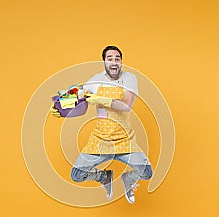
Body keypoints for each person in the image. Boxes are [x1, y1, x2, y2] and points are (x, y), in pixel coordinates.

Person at [51, 46, 153, 204]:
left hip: (124, 140)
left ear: (121, 62)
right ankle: (104, 177)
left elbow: (126, 106)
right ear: (104, 61)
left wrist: (101, 100)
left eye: (117, 59)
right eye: (110, 58)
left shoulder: (129, 78)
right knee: (77, 174)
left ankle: (128, 179)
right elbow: (79, 92)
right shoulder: (96, 80)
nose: (114, 62)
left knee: (146, 172)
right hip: (100, 140)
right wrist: (61, 103)